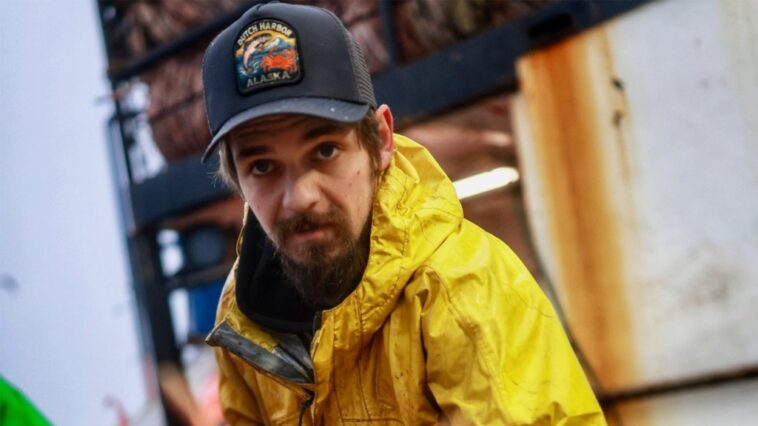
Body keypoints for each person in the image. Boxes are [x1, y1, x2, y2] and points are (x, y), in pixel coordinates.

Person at [201, 2, 606, 424]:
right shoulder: (242, 315)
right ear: (238, 182)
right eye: (262, 167)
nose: (300, 198)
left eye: (325, 150)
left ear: (381, 140)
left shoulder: (462, 286)